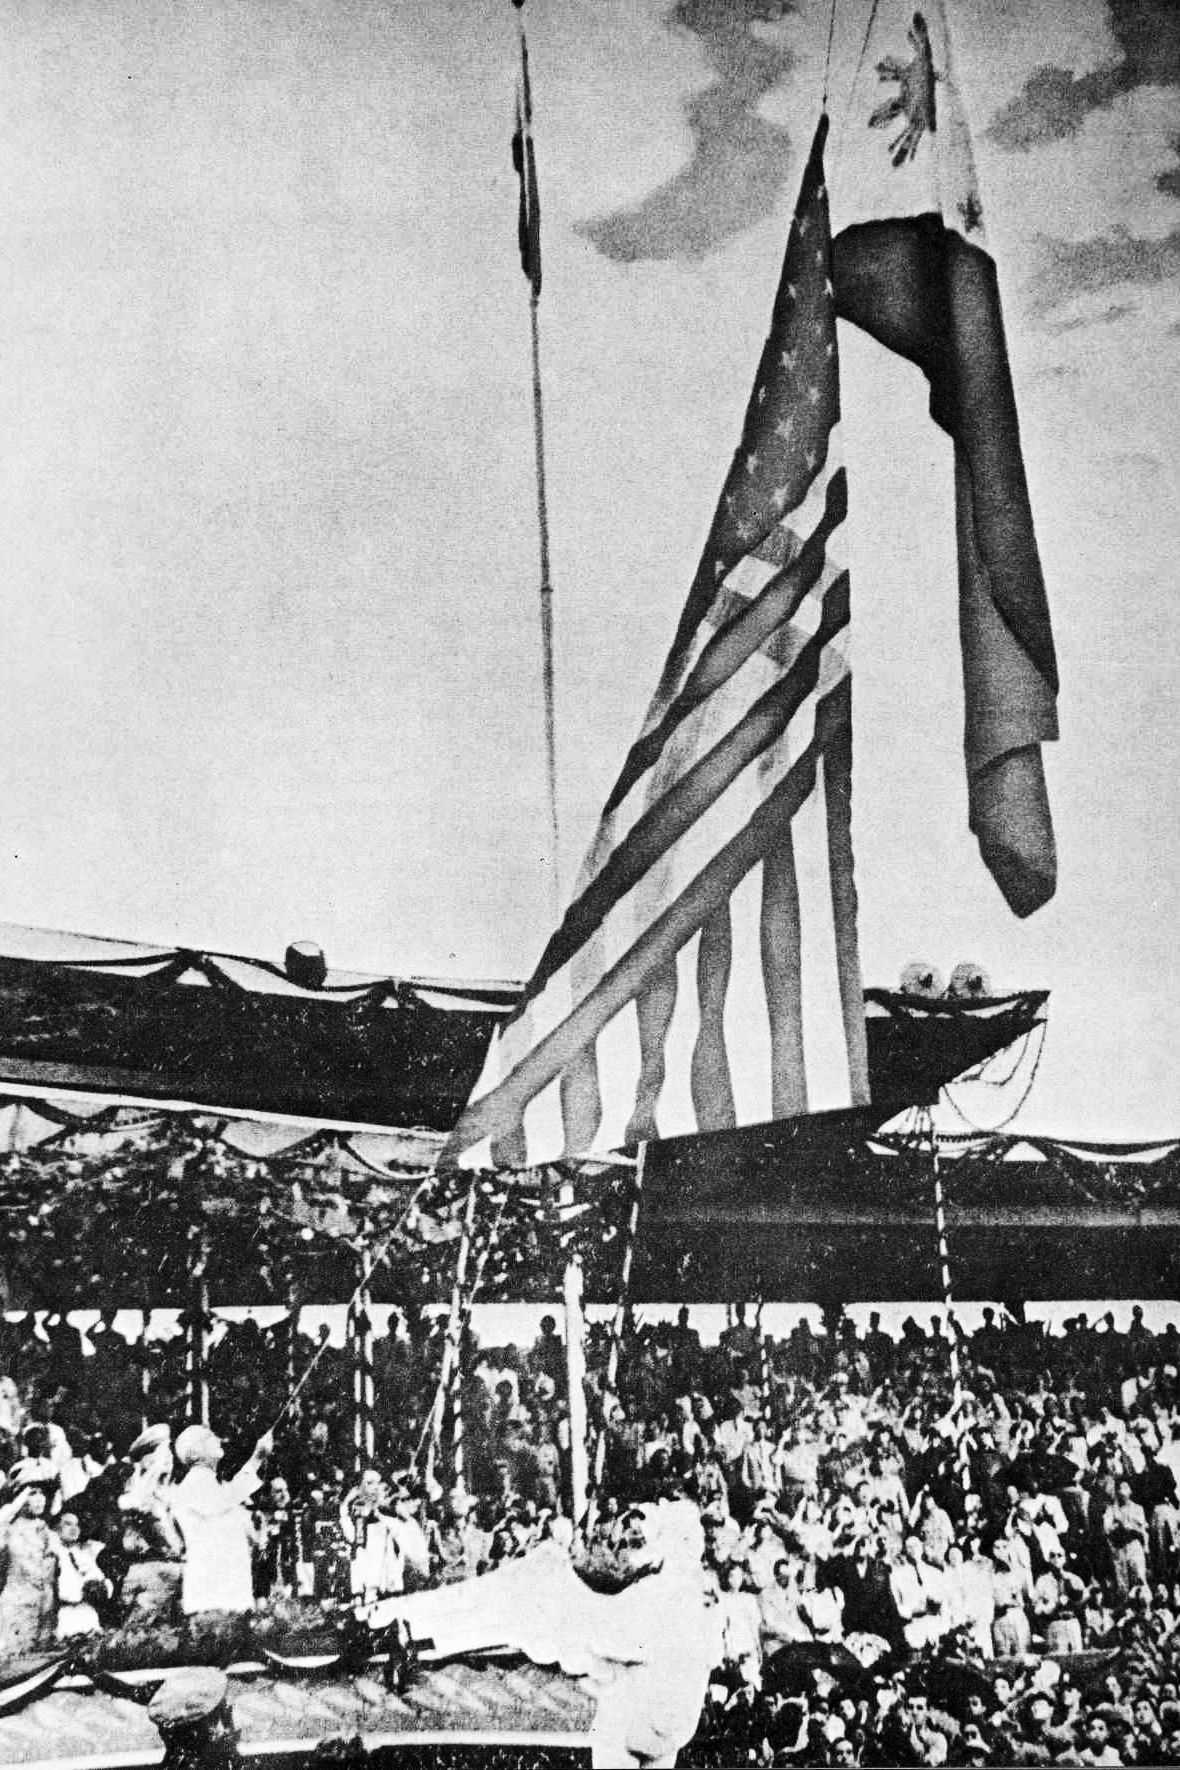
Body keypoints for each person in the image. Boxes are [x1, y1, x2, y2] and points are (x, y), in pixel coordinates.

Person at [170, 1424, 272, 1615]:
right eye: (211, 1437)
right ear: (197, 1451)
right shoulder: (196, 1481)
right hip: (213, 1596)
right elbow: (227, 1499)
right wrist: (257, 1458)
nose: (219, 1440)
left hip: (222, 1593)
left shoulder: (207, 1482)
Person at [0, 1472, 59, 1652]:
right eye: (33, 1493)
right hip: (16, 1609)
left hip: (44, 1611)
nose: (40, 1499)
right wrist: (17, 1502)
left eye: (42, 1494)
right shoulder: (9, 1530)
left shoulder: (49, 1533)